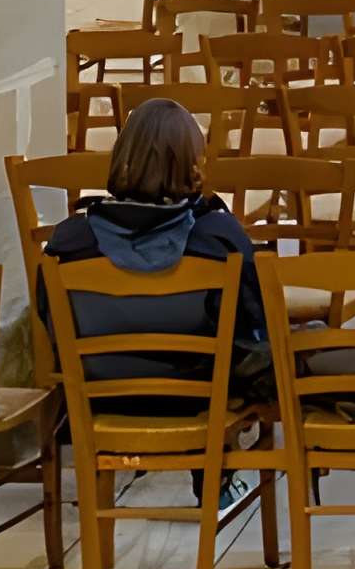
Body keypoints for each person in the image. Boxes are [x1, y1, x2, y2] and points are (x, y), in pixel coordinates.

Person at [38, 98, 270, 411]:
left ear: (122, 155)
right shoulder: (218, 236)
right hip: (197, 398)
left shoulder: (72, 238)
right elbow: (253, 323)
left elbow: (48, 321)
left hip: (98, 398)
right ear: (194, 161)